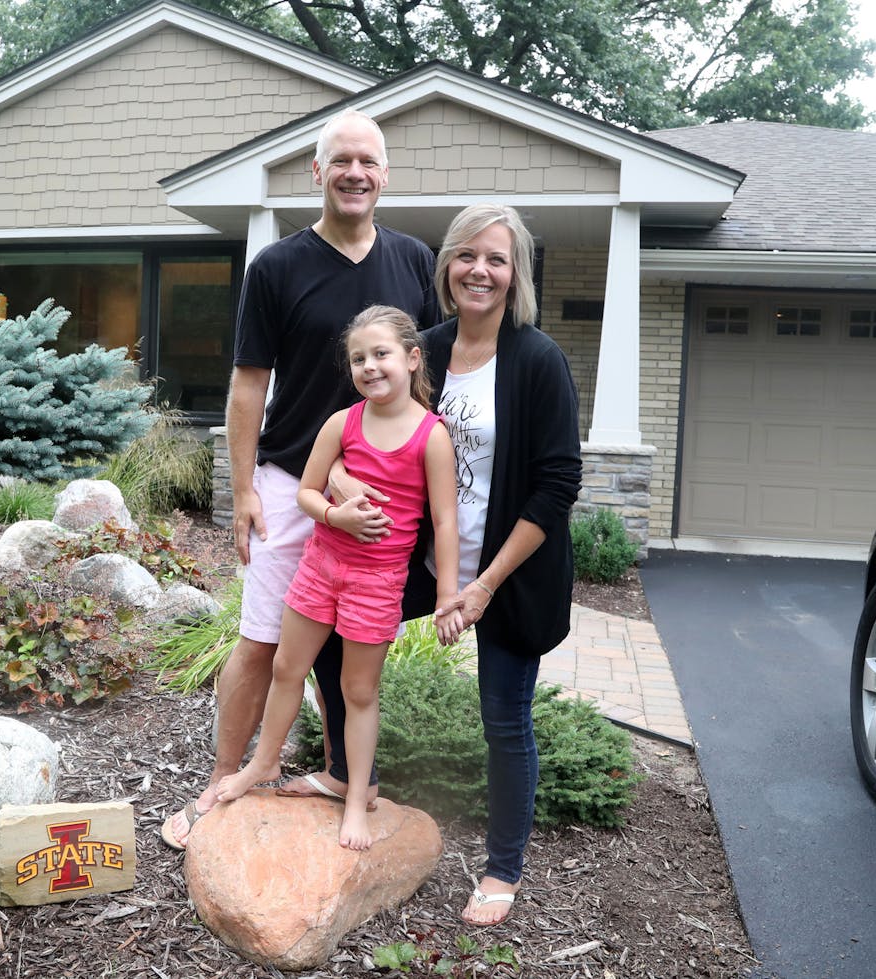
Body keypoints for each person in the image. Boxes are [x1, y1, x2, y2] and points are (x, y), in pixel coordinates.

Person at [162, 108, 441, 850]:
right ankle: (225, 782)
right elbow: (248, 388)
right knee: (262, 641)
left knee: (349, 647)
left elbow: (429, 380)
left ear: (386, 175)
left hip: (386, 496)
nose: (356, 173)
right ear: (317, 173)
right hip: (294, 484)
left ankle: (343, 776)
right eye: (341, 160)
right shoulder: (277, 267)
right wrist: (246, 489)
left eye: (370, 162)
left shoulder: (415, 260)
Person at [213, 306, 460, 849]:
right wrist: (333, 515)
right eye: (358, 359)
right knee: (286, 666)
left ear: (413, 358)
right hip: (320, 567)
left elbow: (444, 521)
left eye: (381, 354)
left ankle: (355, 801)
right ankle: (261, 764)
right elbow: (307, 489)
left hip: (377, 581)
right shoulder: (342, 422)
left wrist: (447, 594)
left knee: (358, 691)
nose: (370, 367)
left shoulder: (431, 436)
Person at [411, 203, 581, 925]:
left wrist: (481, 585)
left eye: (497, 258)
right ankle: (345, 781)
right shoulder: (422, 349)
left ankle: (503, 867)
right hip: (424, 559)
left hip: (508, 574)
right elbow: (375, 435)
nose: (480, 269)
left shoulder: (538, 358)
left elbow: (558, 484)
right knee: (331, 638)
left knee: (504, 721)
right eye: (467, 255)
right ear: (448, 265)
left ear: (516, 276)